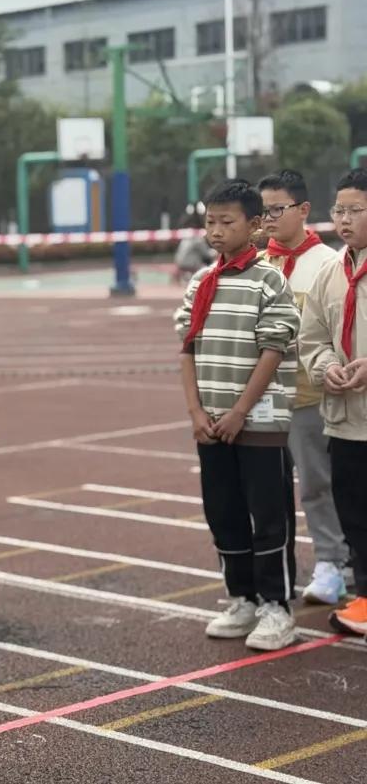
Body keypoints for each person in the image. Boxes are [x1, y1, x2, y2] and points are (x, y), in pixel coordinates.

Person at [174, 179, 301, 652]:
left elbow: (273, 349)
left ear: (254, 225)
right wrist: (197, 412)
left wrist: (240, 412)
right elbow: (187, 349)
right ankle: (241, 597)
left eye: (227, 222)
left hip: (260, 423)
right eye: (210, 222)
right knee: (223, 512)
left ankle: (277, 606)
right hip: (212, 424)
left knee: (269, 515)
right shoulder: (201, 282)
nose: (216, 231)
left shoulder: (269, 280)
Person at [257, 170, 349, 605]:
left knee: (317, 483)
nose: (269, 218)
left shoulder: (328, 263)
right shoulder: (259, 264)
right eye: (264, 211)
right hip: (262, 400)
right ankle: (276, 570)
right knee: (269, 490)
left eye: (278, 209)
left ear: (303, 210)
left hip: (311, 398)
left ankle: (333, 563)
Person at [299, 167, 367, 638]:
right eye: (338, 210)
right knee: (355, 511)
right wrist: (326, 366)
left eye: (354, 210)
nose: (343, 219)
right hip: (345, 419)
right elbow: (312, 337)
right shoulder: (331, 273)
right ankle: (363, 596)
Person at [174, 207, 214, 283]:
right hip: (191, 265)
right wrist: (215, 253)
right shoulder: (198, 238)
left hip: (179, 263)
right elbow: (206, 254)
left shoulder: (185, 236)